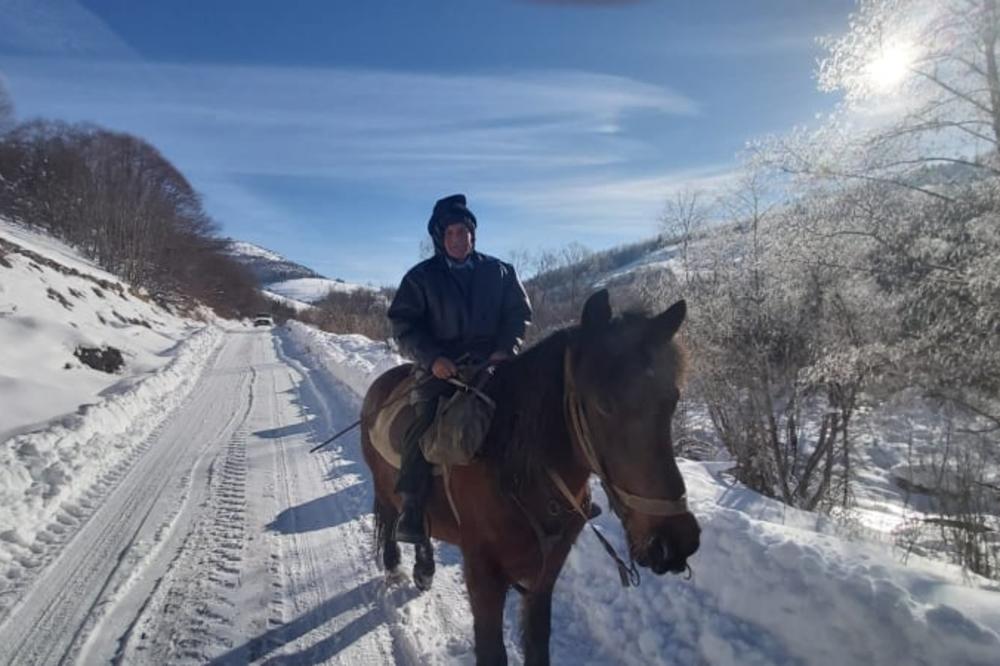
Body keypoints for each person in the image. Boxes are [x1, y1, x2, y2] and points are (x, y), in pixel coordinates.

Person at [387, 193, 532, 543]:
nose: (458, 239)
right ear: (440, 237)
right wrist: (432, 358)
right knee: (421, 422)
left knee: (535, 411)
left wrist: (505, 349)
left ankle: (552, 496)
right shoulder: (420, 278)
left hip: (492, 364)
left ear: (473, 235)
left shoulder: (499, 271)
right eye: (451, 233)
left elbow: (518, 315)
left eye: (464, 232)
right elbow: (403, 326)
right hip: (441, 367)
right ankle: (411, 505)